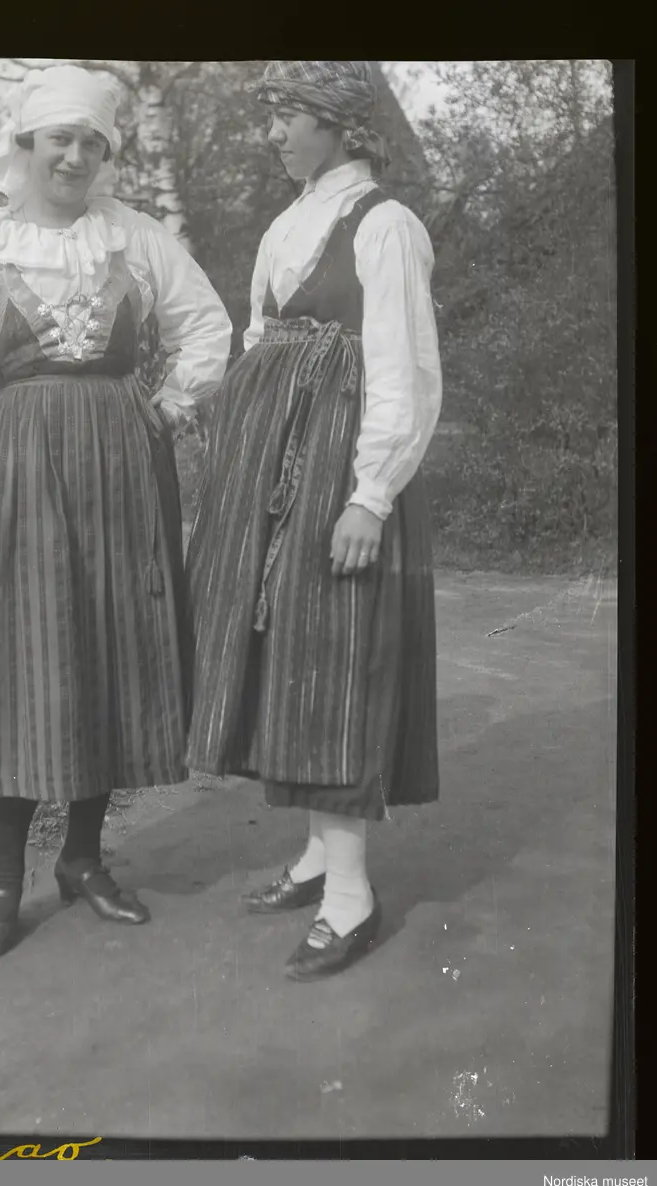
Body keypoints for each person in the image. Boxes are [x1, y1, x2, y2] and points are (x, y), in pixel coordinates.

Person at [0, 65, 232, 959]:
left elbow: (209, 326)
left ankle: (84, 858)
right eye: (60, 138)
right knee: (28, 657)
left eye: (92, 142)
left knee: (110, 649)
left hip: (126, 466)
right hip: (24, 467)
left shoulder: (135, 237)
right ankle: (2, 876)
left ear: (106, 154)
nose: (75, 156)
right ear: (25, 145)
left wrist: (169, 404)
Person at [186, 61, 442, 982]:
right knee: (280, 654)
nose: (274, 133)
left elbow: (405, 369)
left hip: (339, 464)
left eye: (289, 115)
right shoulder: (283, 224)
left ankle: (352, 896)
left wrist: (371, 495)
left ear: (339, 122)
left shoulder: (386, 225)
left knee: (332, 661)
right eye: (272, 116)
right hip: (268, 465)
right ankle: (314, 856)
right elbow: (259, 340)